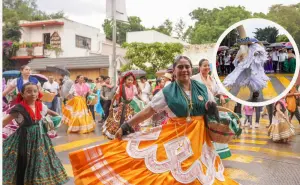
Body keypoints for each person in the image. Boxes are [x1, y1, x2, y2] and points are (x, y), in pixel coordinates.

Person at [68, 55, 238, 185]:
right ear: (174, 70)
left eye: (187, 67)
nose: (184, 70)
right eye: (180, 67)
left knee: (200, 172)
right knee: (170, 174)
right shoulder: (168, 91)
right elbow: (148, 111)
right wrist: (127, 125)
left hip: (201, 138)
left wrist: (215, 111)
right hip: (177, 137)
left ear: (191, 69)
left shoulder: (201, 87)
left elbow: (211, 105)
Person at [2, 82, 69, 185]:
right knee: (23, 160)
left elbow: (49, 111)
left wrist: (57, 115)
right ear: (22, 94)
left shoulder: (40, 105)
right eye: (29, 91)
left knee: (40, 159)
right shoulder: (18, 108)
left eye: (35, 91)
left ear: (38, 93)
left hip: (41, 137)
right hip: (24, 138)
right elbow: (4, 122)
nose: (33, 94)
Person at [191, 58, 231, 159]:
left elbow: (217, 91)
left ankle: (214, 154)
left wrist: (221, 96)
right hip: (200, 109)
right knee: (202, 131)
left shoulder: (212, 79)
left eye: (208, 65)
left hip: (212, 109)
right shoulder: (194, 79)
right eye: (204, 65)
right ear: (200, 67)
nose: (207, 67)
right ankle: (201, 154)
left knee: (214, 129)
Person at [2, 65, 41, 140]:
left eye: (29, 70)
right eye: (26, 69)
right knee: (14, 121)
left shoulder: (35, 80)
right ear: (21, 71)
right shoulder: (16, 80)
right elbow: (6, 91)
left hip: (32, 103)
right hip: (20, 104)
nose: (28, 71)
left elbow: (39, 92)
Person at [102, 72, 143, 139]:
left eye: (132, 80)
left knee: (131, 120)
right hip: (123, 106)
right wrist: (111, 106)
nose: (130, 81)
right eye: (129, 80)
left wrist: (142, 100)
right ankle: (120, 132)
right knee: (121, 120)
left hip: (131, 107)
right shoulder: (121, 87)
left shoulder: (134, 87)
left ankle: (129, 132)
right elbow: (115, 96)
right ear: (125, 80)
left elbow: (136, 95)